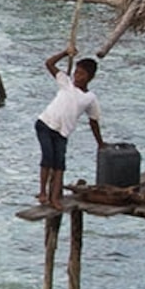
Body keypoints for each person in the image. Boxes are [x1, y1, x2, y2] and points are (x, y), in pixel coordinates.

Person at [32, 53, 106, 206]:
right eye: (76, 72)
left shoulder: (90, 98)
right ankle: (43, 192)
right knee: (47, 158)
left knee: (59, 165)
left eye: (81, 74)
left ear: (90, 77)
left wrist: (100, 142)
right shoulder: (66, 83)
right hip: (45, 124)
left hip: (62, 132)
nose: (76, 76)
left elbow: (93, 122)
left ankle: (55, 197)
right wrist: (66, 52)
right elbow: (49, 63)